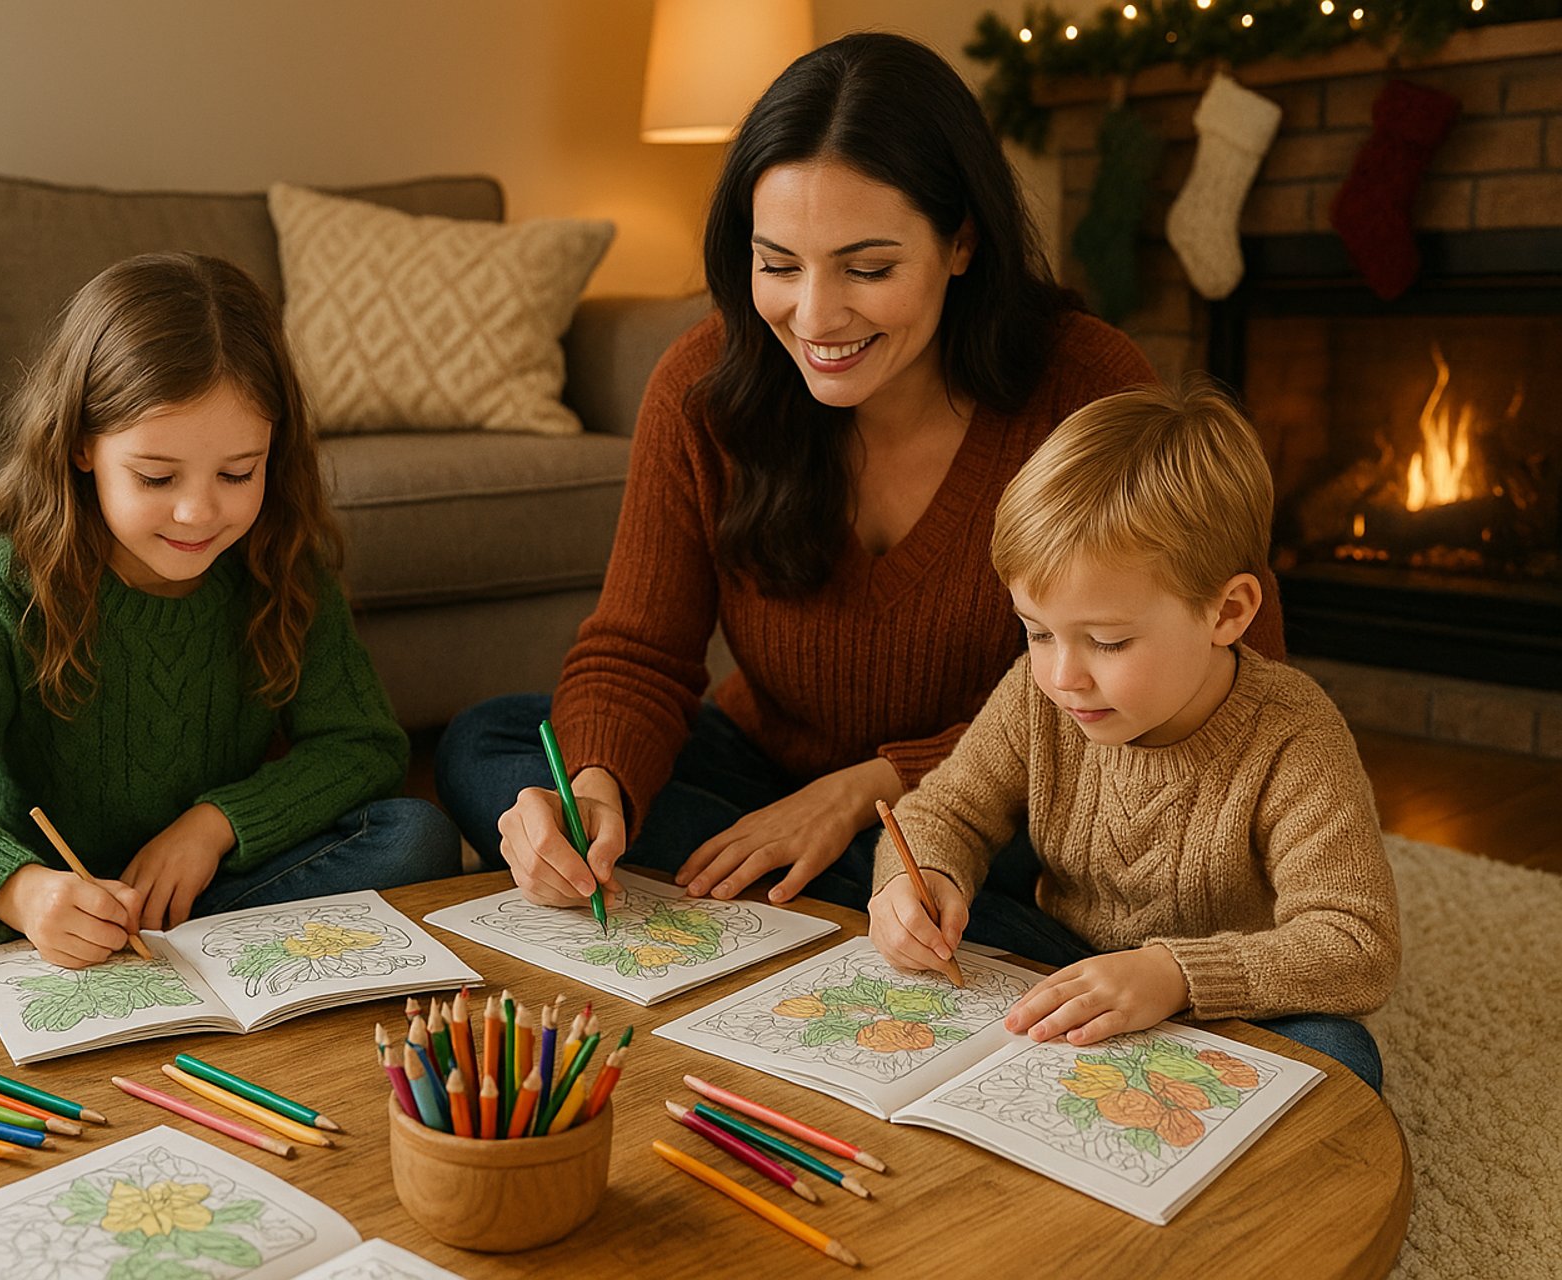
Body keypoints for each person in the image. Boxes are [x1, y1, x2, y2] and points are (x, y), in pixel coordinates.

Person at [436, 31, 1283, 915]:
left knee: (1059, 851)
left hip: (1007, 801)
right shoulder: (701, 389)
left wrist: (863, 793)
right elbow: (638, 652)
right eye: (778, 265)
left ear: (962, 243)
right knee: (488, 745)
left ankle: (835, 895)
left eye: (868, 268)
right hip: (765, 767)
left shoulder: (1085, 386)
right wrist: (596, 791)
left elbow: (1231, 675)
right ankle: (875, 907)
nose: (814, 316)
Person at [0, 253, 461, 1013]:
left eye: (238, 473)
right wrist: (21, 892)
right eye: (157, 478)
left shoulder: (284, 569)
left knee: (416, 837)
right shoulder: (5, 583)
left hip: (212, 880)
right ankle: (108, 941)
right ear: (82, 446)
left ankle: (154, 948)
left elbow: (366, 746)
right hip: (46, 878)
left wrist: (214, 827)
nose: (198, 512)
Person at [869, 381, 1399, 1090]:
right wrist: (921, 880)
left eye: (1109, 642)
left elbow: (1358, 944)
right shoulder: (1038, 689)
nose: (1062, 675)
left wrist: (1173, 975)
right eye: (1037, 631)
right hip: (1062, 953)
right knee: (883, 906)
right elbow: (943, 811)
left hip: (1220, 991)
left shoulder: (1293, 732)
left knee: (1340, 1059)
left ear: (1228, 612)